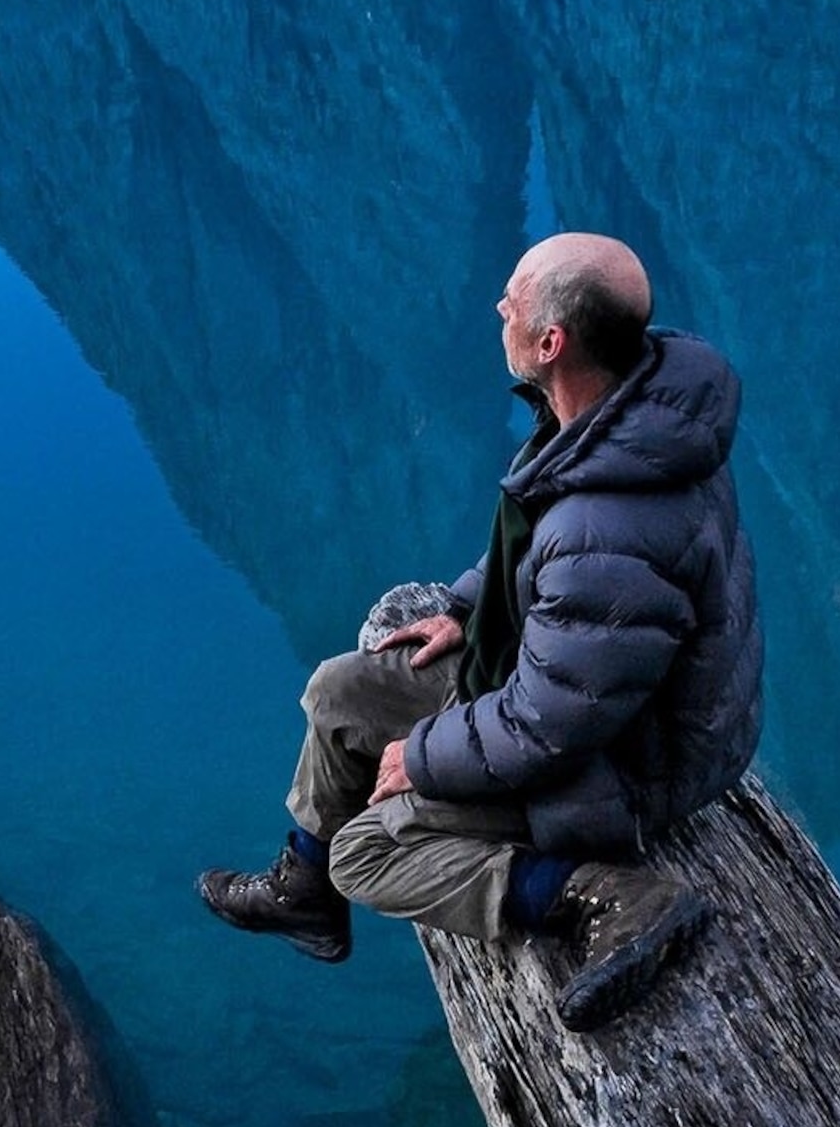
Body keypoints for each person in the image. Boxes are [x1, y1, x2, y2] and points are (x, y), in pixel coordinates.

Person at [197, 232, 761, 1032]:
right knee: (339, 691)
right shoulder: (617, 407)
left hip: (626, 765)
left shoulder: (616, 531)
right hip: (573, 689)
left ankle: (606, 896)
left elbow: (549, 721)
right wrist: (469, 607)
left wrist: (422, 754)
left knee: (370, 853)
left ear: (550, 342)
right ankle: (304, 892)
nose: (499, 306)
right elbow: (545, 544)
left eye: (514, 298)